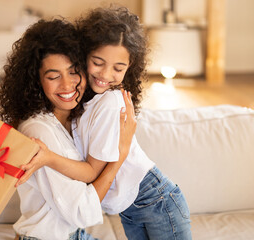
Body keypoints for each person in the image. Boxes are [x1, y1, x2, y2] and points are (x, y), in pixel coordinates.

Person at [18, 7, 192, 240]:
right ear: (84, 56)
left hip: (155, 199)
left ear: (129, 69)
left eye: (118, 68)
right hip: (130, 208)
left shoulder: (110, 102)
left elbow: (90, 171)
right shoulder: (81, 105)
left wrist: (49, 158)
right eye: (97, 62)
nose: (106, 74)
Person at [0, 18, 136, 240]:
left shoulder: (77, 119)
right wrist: (119, 157)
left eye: (73, 71)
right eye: (53, 76)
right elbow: (82, 211)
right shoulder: (39, 132)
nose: (67, 85)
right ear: (36, 81)